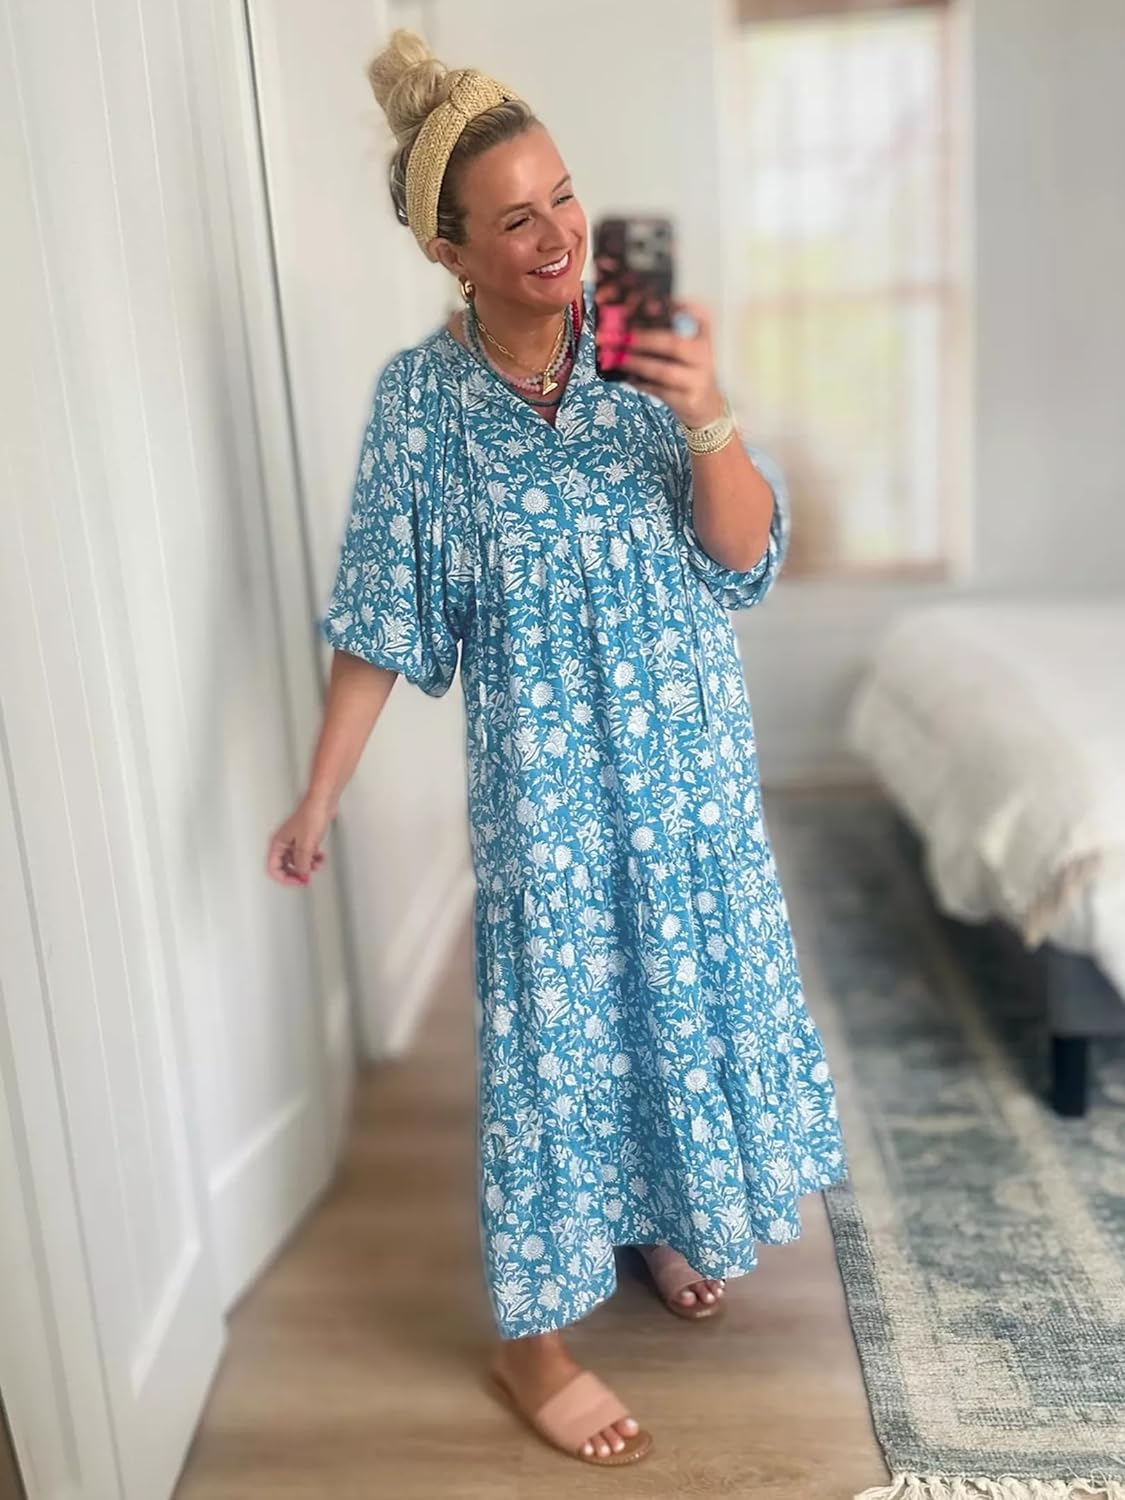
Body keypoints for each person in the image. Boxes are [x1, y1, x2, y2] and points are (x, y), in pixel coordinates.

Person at [265, 29, 848, 1470]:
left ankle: (664, 1219)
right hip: (549, 800)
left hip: (689, 779)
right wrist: (320, 792)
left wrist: (704, 413)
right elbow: (381, 615)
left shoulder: (647, 358)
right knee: (556, 1044)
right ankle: (531, 1344)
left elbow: (743, 556)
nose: (557, 237)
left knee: (678, 1007)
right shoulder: (422, 409)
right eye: (515, 219)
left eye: (565, 196)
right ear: (449, 253)